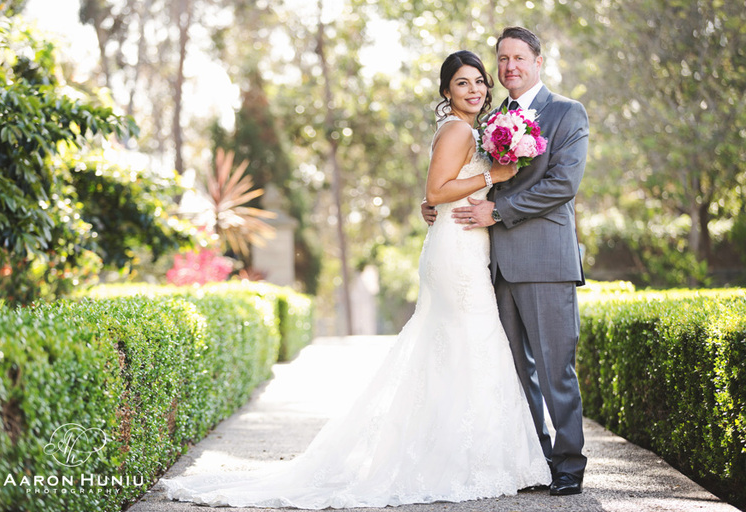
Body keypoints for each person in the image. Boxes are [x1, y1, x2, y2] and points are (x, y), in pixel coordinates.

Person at [161, 50, 551, 509]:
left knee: (458, 346)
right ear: (446, 92)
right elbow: (435, 191)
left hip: (462, 243)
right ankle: (472, 461)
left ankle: (460, 454)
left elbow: (440, 193)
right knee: (473, 340)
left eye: (480, 81)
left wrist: (482, 179)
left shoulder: (470, 130)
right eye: (462, 83)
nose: (475, 90)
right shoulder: (458, 129)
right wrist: (491, 173)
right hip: (456, 254)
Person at [422, 27, 589, 496]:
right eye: (502, 58)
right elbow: (459, 175)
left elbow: (562, 185)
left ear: (537, 61)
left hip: (545, 261)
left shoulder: (566, 113)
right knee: (513, 373)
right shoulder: (488, 119)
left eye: (518, 57)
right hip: (491, 265)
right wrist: (432, 205)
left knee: (556, 369)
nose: (509, 66)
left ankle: (569, 464)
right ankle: (534, 462)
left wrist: (497, 211)